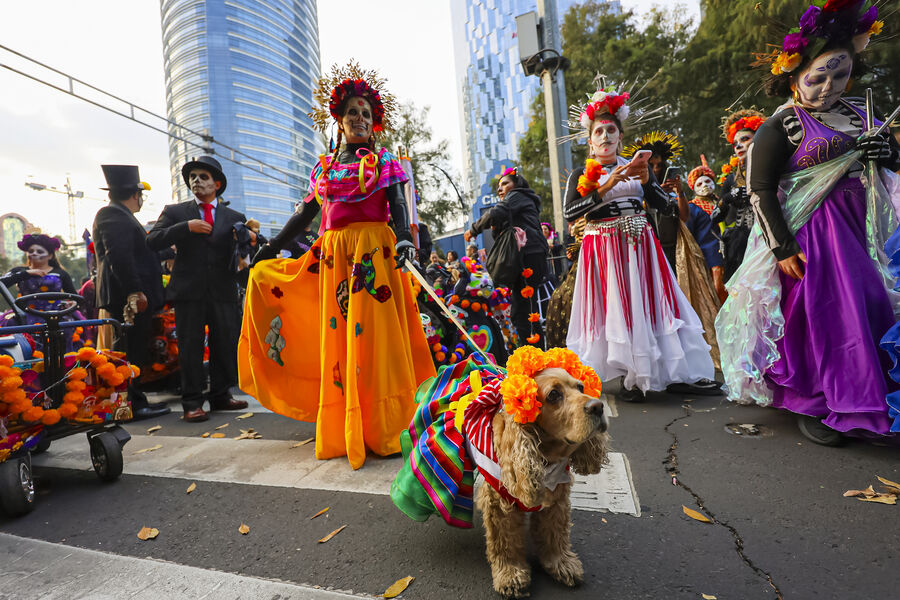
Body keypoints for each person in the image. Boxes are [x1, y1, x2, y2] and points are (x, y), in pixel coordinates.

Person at [717, 0, 900, 444]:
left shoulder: (862, 113)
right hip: (815, 236)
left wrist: (888, 152)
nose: (828, 87)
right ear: (794, 75)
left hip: (867, 229)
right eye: (817, 78)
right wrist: (782, 248)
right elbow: (760, 191)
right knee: (833, 318)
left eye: (839, 75)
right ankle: (822, 400)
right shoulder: (778, 126)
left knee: (873, 307)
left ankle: (877, 393)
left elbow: (892, 163)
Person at [240, 62, 435, 469]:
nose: (359, 118)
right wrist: (272, 246)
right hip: (334, 259)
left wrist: (403, 238)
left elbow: (398, 207)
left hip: (374, 257)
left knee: (378, 339)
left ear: (373, 122)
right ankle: (347, 420)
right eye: (352, 112)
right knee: (341, 337)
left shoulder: (386, 163)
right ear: (340, 120)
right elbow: (305, 215)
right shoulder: (325, 168)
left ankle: (387, 425)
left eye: (366, 113)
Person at [563, 86, 716, 401]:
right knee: (619, 310)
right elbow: (569, 211)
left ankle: (675, 372)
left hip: (640, 244)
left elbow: (664, 206)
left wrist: (647, 181)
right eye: (599, 132)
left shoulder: (636, 167)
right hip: (603, 248)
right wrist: (607, 186)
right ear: (589, 140)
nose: (606, 136)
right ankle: (630, 375)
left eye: (611, 131)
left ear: (620, 136)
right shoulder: (582, 173)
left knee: (655, 305)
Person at [147, 156, 248, 422]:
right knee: (190, 347)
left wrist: (248, 240)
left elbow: (246, 251)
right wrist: (185, 228)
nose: (196, 182)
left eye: (203, 177)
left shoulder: (235, 217)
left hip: (223, 291)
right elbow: (152, 240)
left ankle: (221, 395)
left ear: (217, 184)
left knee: (224, 345)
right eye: (192, 177)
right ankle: (191, 402)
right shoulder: (176, 212)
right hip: (188, 292)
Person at [92, 165, 171, 420]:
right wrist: (135, 292)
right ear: (135, 194)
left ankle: (136, 400)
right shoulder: (112, 215)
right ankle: (129, 405)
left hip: (131, 297)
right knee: (128, 351)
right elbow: (120, 258)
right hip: (128, 299)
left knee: (133, 349)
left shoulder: (118, 214)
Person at [465, 167, 547, 347]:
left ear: (516, 184)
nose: (500, 189)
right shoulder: (517, 201)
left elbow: (495, 213)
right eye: (498, 187)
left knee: (521, 312)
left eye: (505, 183)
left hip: (529, 256)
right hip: (528, 256)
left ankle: (533, 360)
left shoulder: (517, 195)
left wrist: (473, 230)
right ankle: (537, 358)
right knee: (526, 310)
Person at [1, 233, 84, 352]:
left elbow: (75, 297)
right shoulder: (20, 271)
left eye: (39, 251)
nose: (34, 253)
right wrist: (26, 274)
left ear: (50, 256)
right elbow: (1, 283)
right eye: (31, 251)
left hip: (56, 316)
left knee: (67, 330)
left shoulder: (60, 273)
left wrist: (71, 303)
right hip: (25, 315)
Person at [712, 109, 765, 281]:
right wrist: (728, 198)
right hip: (740, 244)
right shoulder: (731, 180)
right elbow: (715, 216)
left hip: (768, 238)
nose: (739, 146)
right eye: (735, 143)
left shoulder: (773, 169)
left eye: (745, 139)